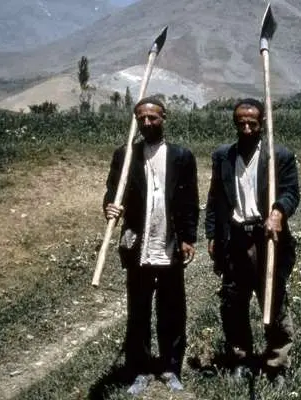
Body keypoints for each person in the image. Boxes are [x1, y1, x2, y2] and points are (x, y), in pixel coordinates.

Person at [103, 96, 199, 395]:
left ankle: (171, 367)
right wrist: (110, 207)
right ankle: (140, 369)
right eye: (142, 118)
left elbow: (189, 200)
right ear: (136, 120)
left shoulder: (181, 156)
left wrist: (188, 238)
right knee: (139, 310)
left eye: (152, 117)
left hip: (169, 244)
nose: (147, 122)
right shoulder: (125, 155)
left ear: (163, 118)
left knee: (172, 309)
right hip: (138, 245)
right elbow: (112, 192)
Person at [204, 98, 300, 385]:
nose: (246, 129)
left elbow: (291, 193)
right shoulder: (223, 156)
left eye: (252, 124)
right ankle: (241, 358)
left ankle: (277, 363)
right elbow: (215, 199)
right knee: (233, 302)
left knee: (273, 300)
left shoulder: (278, 156)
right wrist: (212, 234)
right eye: (241, 123)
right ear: (235, 123)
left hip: (267, 238)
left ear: (262, 124)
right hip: (234, 238)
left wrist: (278, 212)